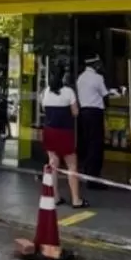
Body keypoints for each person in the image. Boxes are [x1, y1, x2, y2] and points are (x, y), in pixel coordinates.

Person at [39, 68, 87, 208]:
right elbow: (75, 112)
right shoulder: (68, 92)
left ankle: (55, 197)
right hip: (65, 132)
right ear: (63, 78)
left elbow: (44, 109)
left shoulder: (45, 92)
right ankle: (76, 200)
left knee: (53, 164)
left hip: (50, 131)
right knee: (72, 165)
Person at [75, 56, 119, 178]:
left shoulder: (80, 78)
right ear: (95, 65)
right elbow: (105, 94)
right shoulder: (98, 78)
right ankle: (93, 173)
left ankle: (86, 167)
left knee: (87, 141)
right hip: (95, 113)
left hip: (84, 112)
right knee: (96, 143)